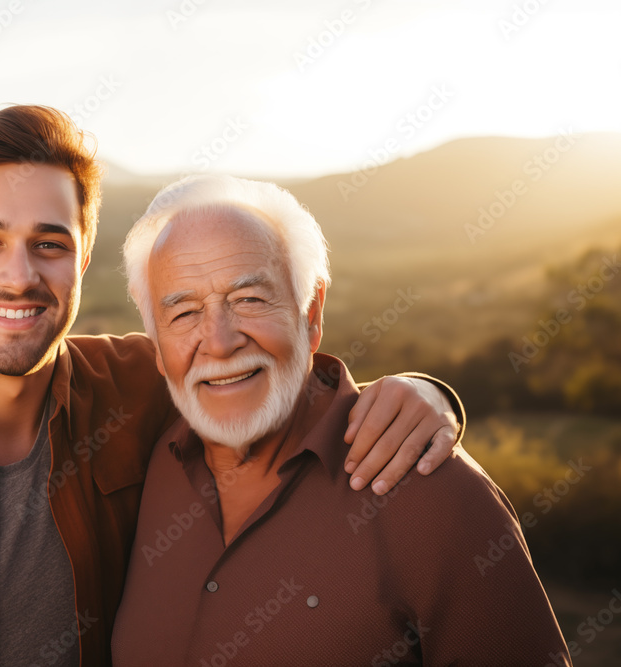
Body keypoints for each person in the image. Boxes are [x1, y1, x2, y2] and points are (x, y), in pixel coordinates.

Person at [0, 106, 465, 666]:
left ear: (83, 258)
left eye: (48, 244)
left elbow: (269, 371)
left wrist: (424, 392)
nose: (19, 275)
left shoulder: (140, 388)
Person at [111, 174, 571, 666]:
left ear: (311, 313)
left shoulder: (433, 492)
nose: (220, 342)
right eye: (183, 313)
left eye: (249, 300)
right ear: (156, 346)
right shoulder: (143, 464)